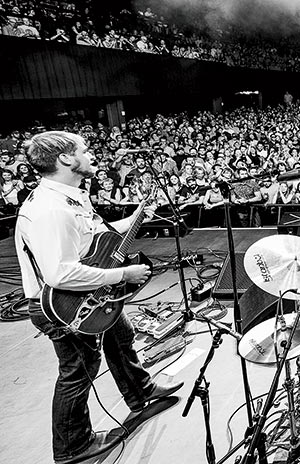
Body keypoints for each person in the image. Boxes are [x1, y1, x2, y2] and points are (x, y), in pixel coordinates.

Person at [14, 131, 182, 464]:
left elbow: (96, 238)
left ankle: (141, 392)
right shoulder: (49, 210)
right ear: (65, 159)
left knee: (121, 336)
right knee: (78, 370)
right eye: (84, 150)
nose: (92, 155)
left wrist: (134, 218)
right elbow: (60, 274)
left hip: (87, 292)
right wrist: (123, 274)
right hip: (61, 306)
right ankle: (72, 447)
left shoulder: (70, 196)